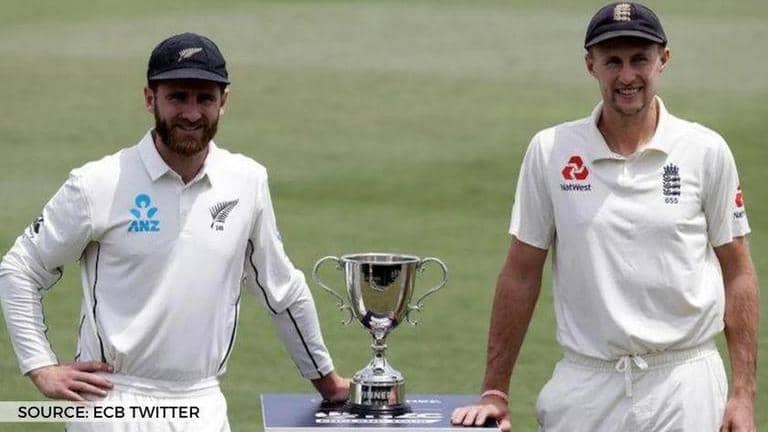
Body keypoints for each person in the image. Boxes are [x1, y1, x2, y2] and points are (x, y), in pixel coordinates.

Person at [0, 32, 349, 431]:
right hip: (114, 400)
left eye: (205, 98)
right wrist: (40, 366)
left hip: (203, 403)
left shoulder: (247, 181)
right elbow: (21, 268)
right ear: (150, 98)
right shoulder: (97, 183)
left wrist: (328, 383)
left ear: (224, 102)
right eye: (178, 97)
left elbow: (281, 291)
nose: (192, 113)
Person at [451, 3, 758, 431]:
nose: (627, 76)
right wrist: (495, 390)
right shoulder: (551, 151)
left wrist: (742, 395)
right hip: (586, 382)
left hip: (683, 382)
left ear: (663, 60)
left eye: (639, 59)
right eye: (612, 61)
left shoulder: (705, 151)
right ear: (590, 65)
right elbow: (521, 273)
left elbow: (737, 272)